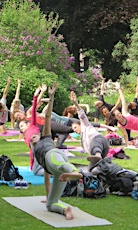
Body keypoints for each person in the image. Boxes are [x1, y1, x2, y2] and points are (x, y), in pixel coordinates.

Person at [25, 82, 82, 220]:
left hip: (54, 155)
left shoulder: (45, 137)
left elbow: (48, 116)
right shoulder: (38, 156)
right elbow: (46, 181)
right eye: (31, 138)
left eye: (34, 136)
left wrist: (51, 97)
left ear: (39, 134)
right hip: (56, 170)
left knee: (61, 165)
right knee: (51, 204)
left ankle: (75, 173)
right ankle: (65, 210)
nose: (32, 137)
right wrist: (47, 196)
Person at [70, 91, 110, 170]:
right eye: (73, 129)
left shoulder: (85, 125)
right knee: (91, 170)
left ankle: (98, 155)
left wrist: (75, 103)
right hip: (102, 151)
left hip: (99, 141)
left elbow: (82, 115)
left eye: (75, 127)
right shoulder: (82, 140)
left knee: (95, 144)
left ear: (79, 124)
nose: (75, 130)